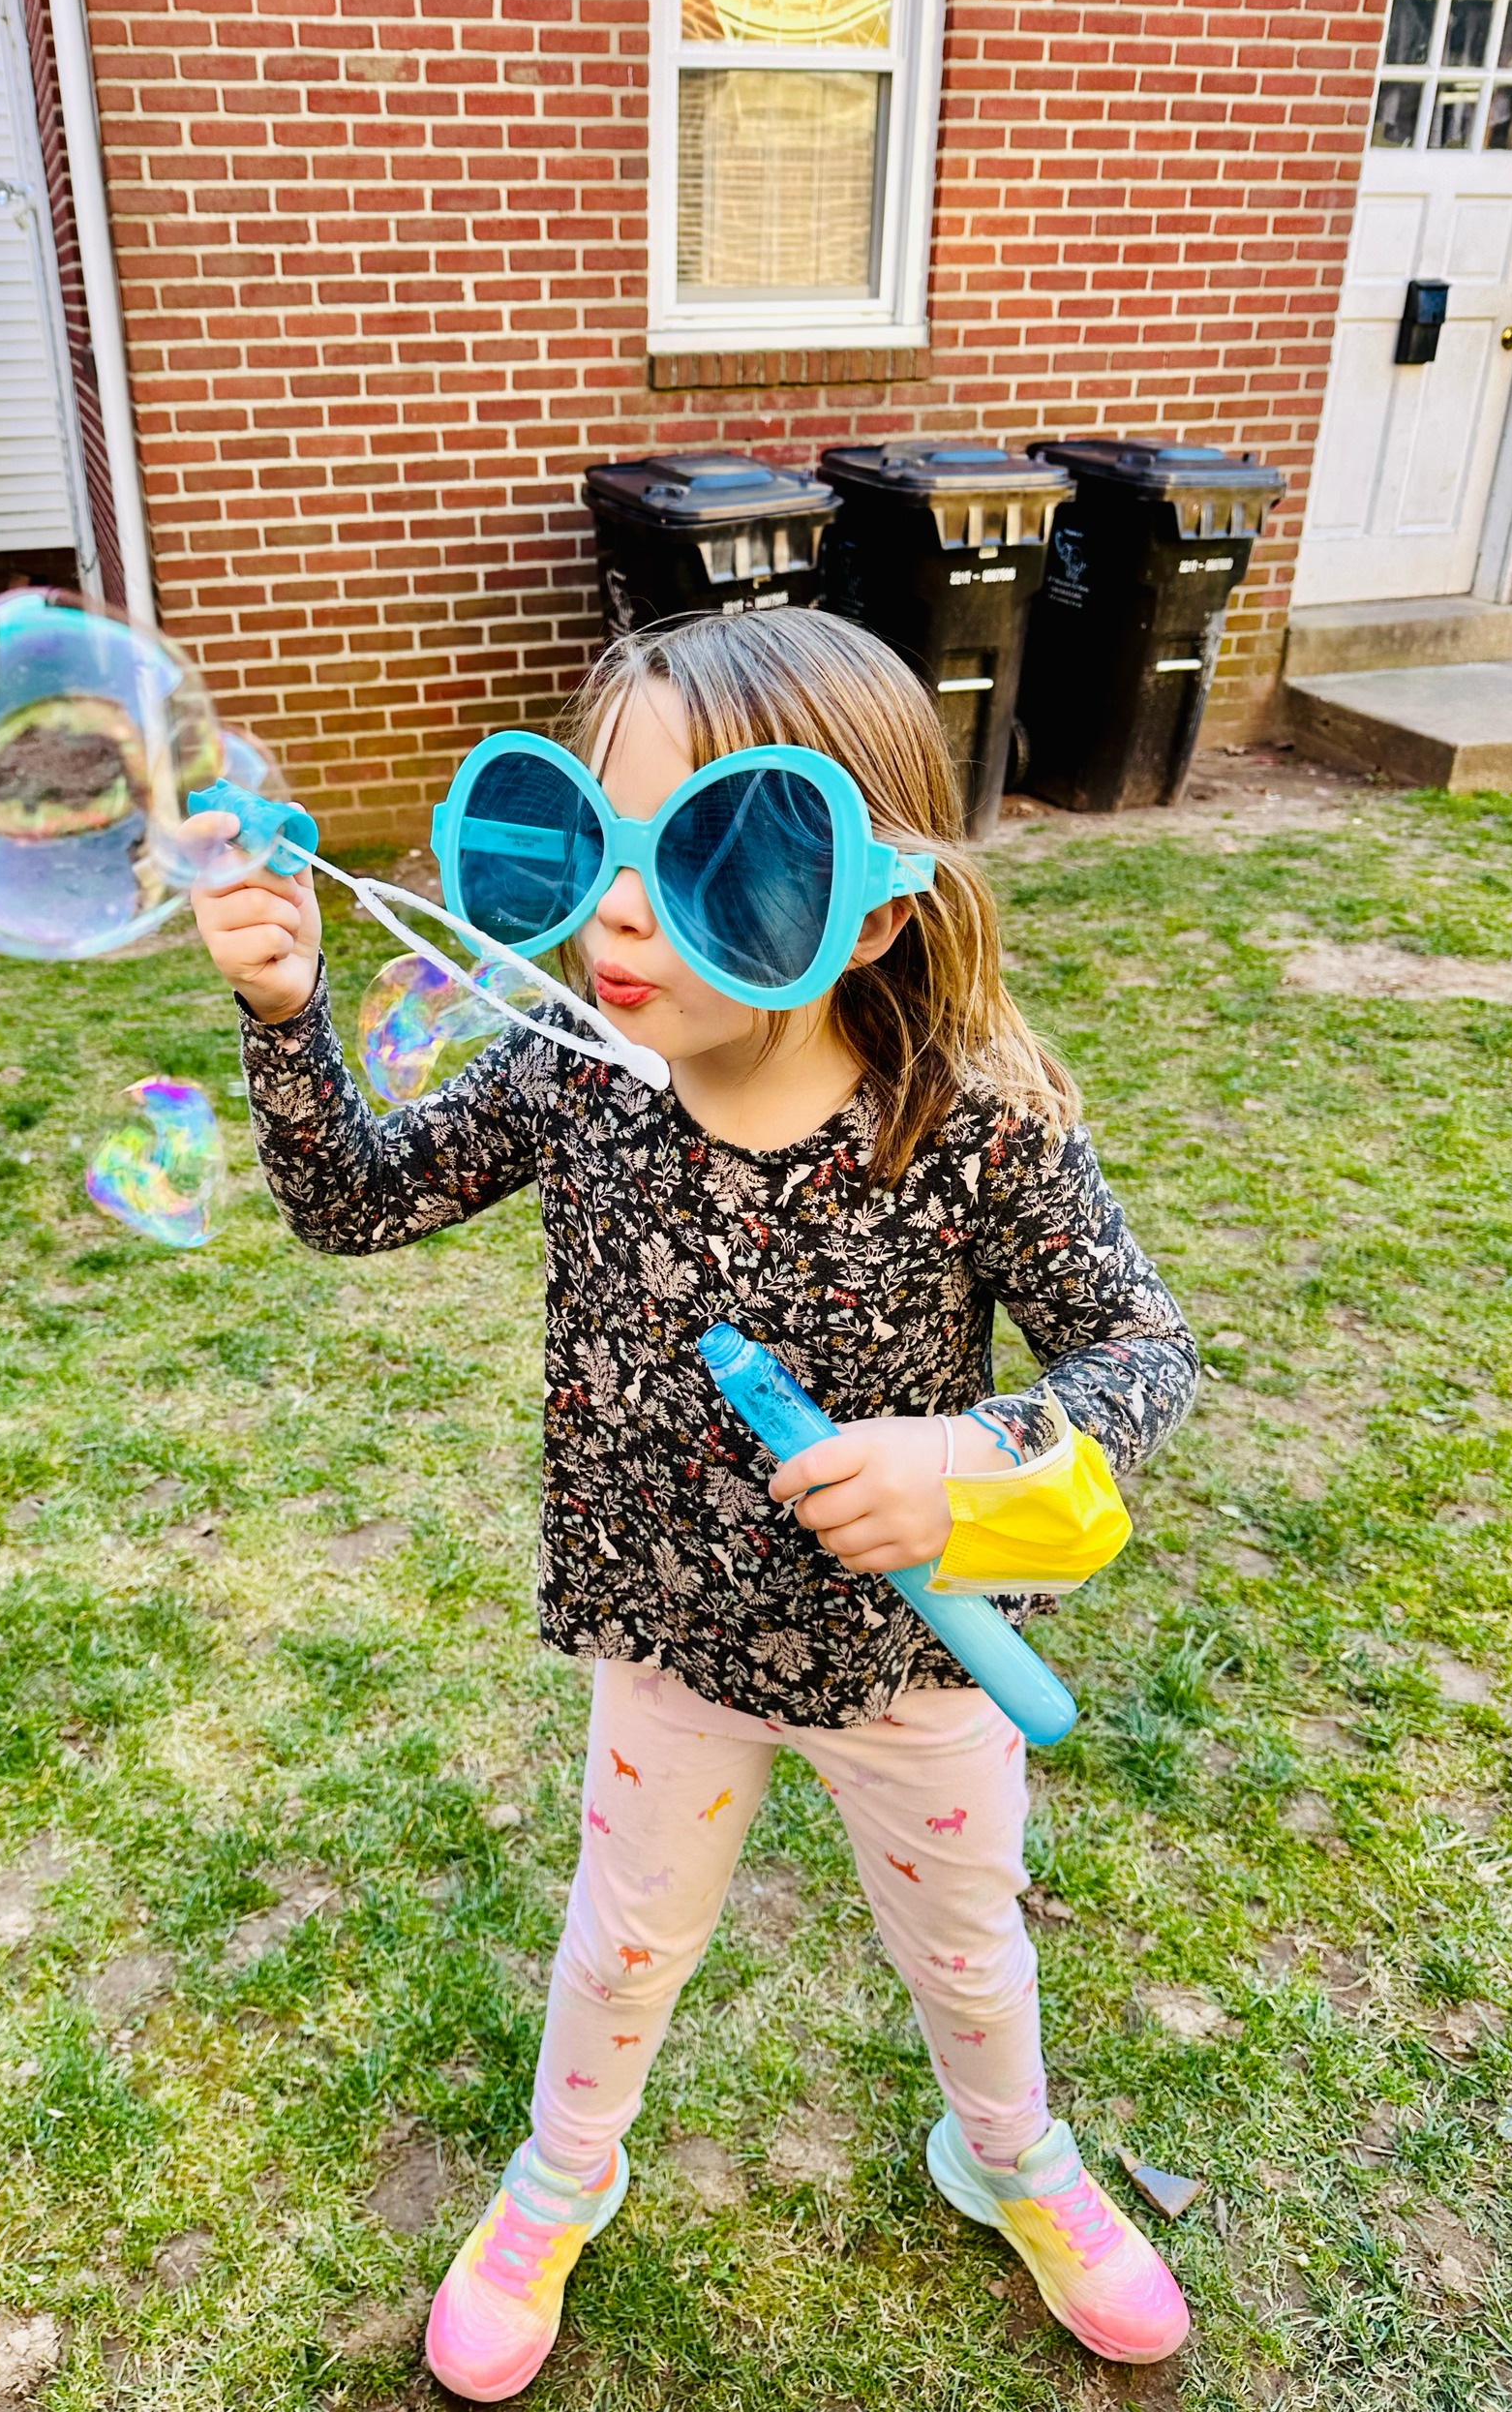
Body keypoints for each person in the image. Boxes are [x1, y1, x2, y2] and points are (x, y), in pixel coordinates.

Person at [192, 609, 1199, 2397]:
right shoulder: (581, 1068)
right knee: (625, 1943)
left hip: (923, 1660)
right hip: (666, 1645)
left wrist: (966, 1459)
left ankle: (1009, 2153)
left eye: (715, 858)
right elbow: (353, 1202)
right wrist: (286, 1014)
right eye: (590, 843)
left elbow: (1143, 1353)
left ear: (870, 909)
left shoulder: (970, 1121)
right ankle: (561, 2175)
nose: (625, 918)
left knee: (969, 1956)